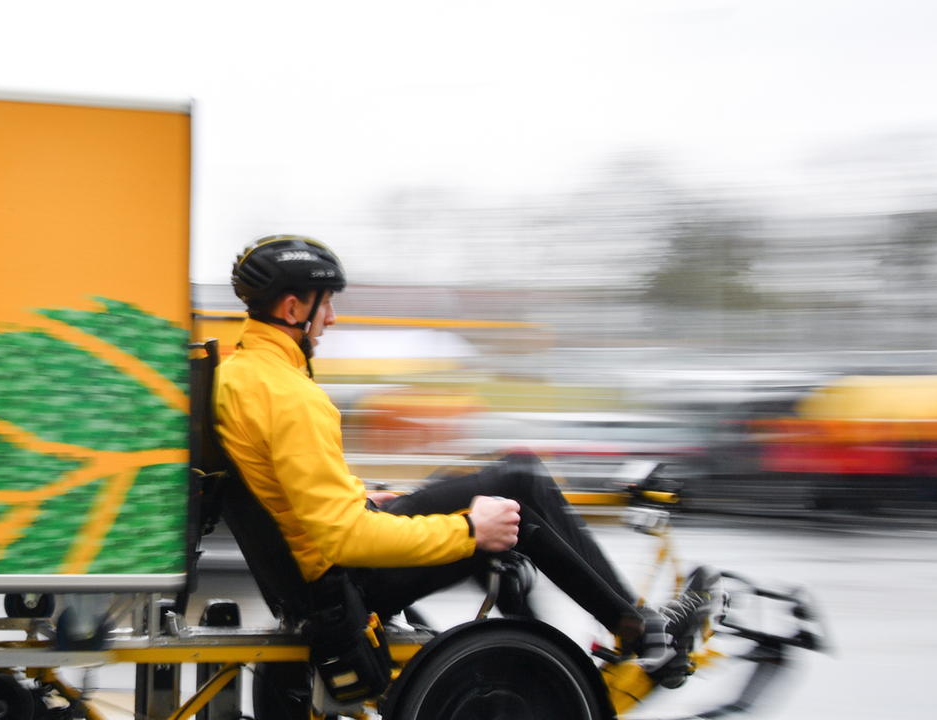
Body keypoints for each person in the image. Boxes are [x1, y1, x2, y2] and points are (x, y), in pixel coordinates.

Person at [212, 234, 705, 683]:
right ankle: (639, 633)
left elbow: (287, 489)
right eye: (327, 305)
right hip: (343, 581)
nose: (333, 319)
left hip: (312, 572)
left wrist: (362, 498)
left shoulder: (241, 374)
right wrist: (469, 530)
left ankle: (565, 655)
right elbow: (343, 538)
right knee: (518, 485)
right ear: (295, 308)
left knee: (502, 482)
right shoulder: (292, 396)